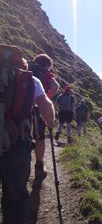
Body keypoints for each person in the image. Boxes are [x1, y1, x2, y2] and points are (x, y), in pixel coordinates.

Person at [0, 45, 55, 224]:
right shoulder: (28, 79)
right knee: (15, 198)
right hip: (15, 145)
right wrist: (50, 123)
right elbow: (46, 108)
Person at [30, 54, 59, 178]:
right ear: (48, 65)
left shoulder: (27, 70)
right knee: (40, 137)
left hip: (20, 107)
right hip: (38, 108)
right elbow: (55, 86)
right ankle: (39, 167)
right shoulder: (46, 73)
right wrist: (46, 97)